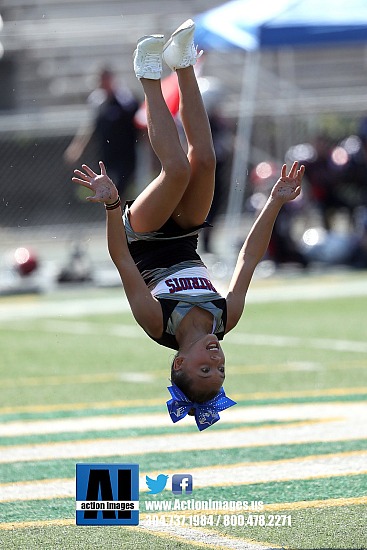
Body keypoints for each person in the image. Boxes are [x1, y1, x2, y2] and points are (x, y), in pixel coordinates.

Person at [72, 19, 305, 431]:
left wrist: (112, 207)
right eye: (221, 371)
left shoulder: (157, 322)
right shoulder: (224, 317)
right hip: (184, 233)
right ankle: (182, 64)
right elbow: (249, 259)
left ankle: (147, 75)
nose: (216, 360)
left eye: (204, 370)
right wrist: (274, 202)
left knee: (176, 169)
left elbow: (124, 265)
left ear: (179, 361)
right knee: (208, 160)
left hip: (139, 236)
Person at [65, 67, 139, 198]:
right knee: (107, 188)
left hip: (126, 153)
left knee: (123, 186)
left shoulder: (125, 98)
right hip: (106, 152)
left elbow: (137, 122)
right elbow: (90, 125)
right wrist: (77, 146)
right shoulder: (97, 101)